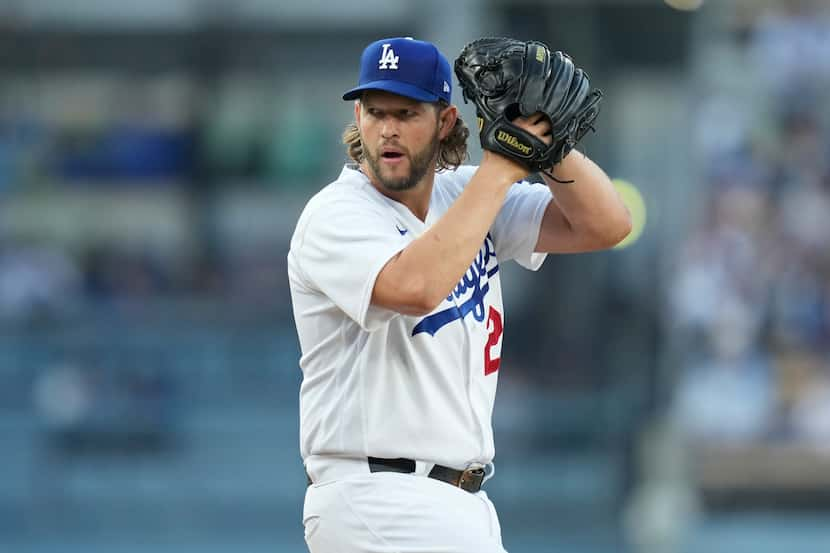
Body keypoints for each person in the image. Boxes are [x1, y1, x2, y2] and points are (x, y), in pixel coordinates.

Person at [288, 36, 632, 553]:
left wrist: (548, 138)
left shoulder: (465, 194)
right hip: (376, 493)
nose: (388, 128)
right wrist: (503, 165)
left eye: (406, 113)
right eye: (375, 111)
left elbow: (606, 224)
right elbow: (415, 287)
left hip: (459, 499)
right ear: (358, 116)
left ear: (446, 121)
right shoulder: (336, 213)